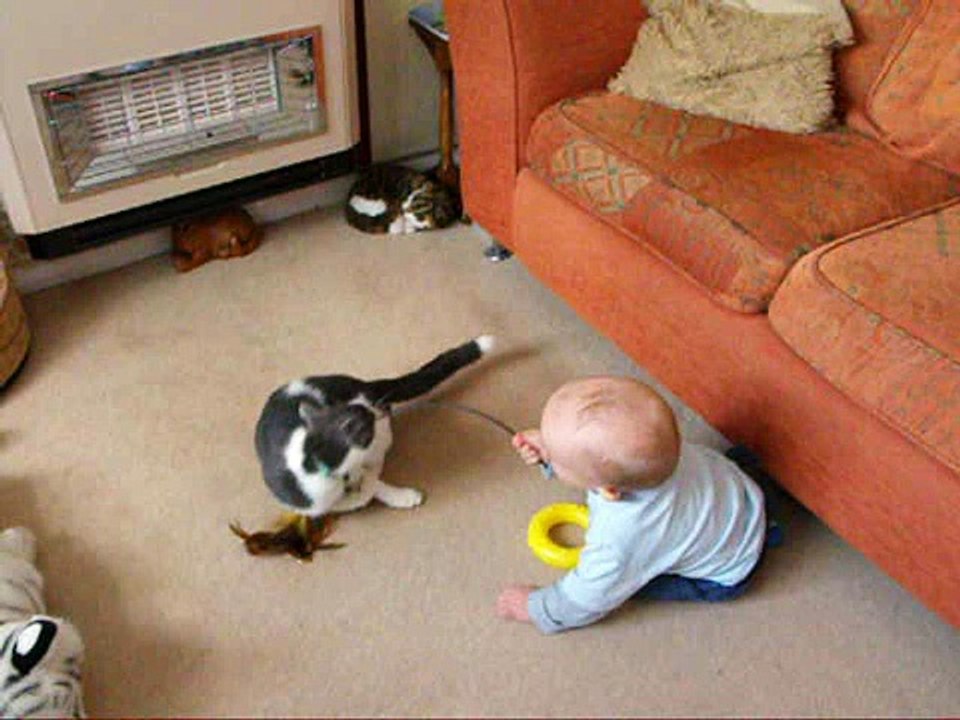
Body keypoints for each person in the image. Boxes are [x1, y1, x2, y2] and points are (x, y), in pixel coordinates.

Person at [497, 376, 775, 634]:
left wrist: (532, 607)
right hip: (745, 499)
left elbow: (583, 599)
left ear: (609, 491)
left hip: (727, 572)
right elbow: (587, 462)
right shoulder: (658, 450)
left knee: (626, 583)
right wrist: (551, 453)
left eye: (554, 454)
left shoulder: (618, 541)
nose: (543, 445)